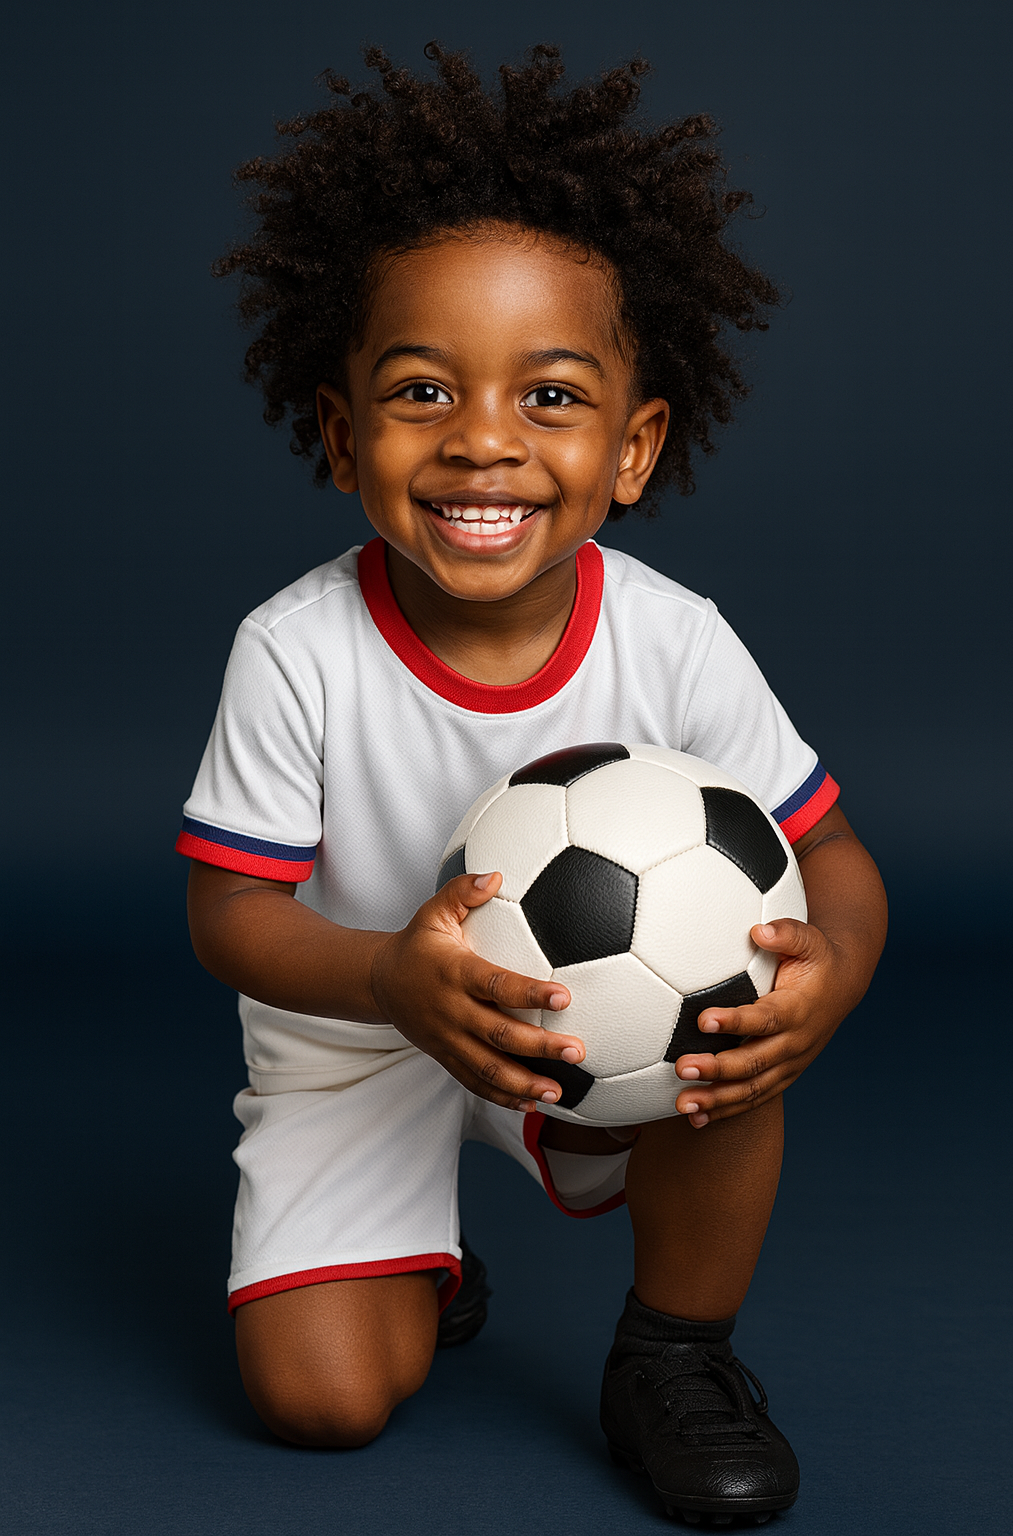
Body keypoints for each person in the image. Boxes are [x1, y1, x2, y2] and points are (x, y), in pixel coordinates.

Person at [178, 43, 886, 1523]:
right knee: (322, 1404)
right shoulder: (297, 650)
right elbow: (232, 916)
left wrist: (833, 979)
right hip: (359, 1027)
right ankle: (409, 1248)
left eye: (550, 396)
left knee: (735, 1009)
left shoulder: (674, 637)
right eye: (422, 389)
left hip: (608, 1029)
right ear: (339, 432)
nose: (483, 438)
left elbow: (838, 867)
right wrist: (392, 980)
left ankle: (674, 1354)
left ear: (634, 447)